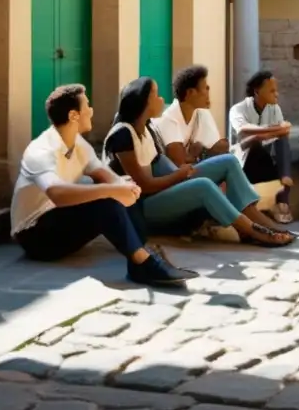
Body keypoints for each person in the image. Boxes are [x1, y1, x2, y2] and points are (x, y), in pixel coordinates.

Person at [10, 84, 191, 287]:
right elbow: (57, 193)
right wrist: (112, 190)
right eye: (87, 105)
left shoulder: (79, 145)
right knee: (106, 199)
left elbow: (106, 176)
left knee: (125, 186)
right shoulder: (41, 150)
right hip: (36, 236)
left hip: (59, 219)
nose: (92, 110)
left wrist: (125, 187)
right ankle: (143, 264)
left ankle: (141, 252)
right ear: (73, 115)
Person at [102, 77, 293, 247]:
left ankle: (256, 220)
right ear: (143, 101)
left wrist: (183, 171)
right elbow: (143, 186)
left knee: (228, 161)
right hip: (142, 209)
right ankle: (252, 230)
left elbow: (160, 166)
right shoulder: (122, 135)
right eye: (156, 95)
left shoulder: (146, 127)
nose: (162, 100)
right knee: (203, 185)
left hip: (164, 188)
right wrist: (179, 175)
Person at [228, 70, 295, 224]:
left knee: (282, 138)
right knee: (255, 141)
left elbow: (283, 132)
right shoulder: (238, 109)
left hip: (265, 162)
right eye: (272, 90)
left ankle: (283, 198)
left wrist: (276, 131)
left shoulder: (274, 108)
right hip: (244, 162)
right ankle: (278, 195)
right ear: (257, 91)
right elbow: (244, 130)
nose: (276, 94)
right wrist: (274, 128)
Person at [153, 65, 229, 165]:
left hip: (195, 169)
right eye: (205, 88)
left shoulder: (202, 113)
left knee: (228, 160)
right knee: (229, 162)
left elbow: (221, 148)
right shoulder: (168, 118)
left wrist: (200, 152)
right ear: (190, 92)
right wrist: (196, 155)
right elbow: (179, 164)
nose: (208, 92)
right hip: (178, 177)